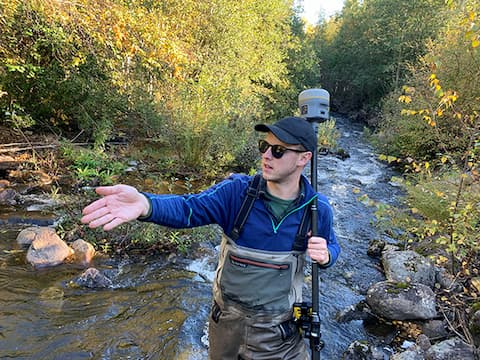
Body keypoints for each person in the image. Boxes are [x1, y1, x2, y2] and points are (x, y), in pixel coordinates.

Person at [81, 116, 340, 360]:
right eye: (264, 146)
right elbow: (188, 209)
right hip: (225, 325)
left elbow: (333, 247)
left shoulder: (317, 211)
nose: (266, 155)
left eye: (278, 150)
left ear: (303, 158)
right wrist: (146, 205)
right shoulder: (236, 194)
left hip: (279, 336)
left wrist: (326, 255)